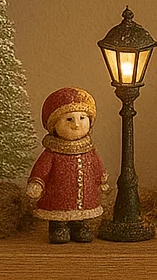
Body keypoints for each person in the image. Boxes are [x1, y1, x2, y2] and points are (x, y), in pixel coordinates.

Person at [26, 87, 108, 243]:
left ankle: (80, 226)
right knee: (58, 213)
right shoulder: (51, 153)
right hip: (57, 196)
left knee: (81, 215)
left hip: (85, 196)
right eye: (69, 119)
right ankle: (58, 227)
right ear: (54, 125)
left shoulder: (90, 150)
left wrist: (102, 178)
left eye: (82, 118)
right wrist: (37, 183)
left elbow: (97, 166)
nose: (76, 125)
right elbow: (41, 170)